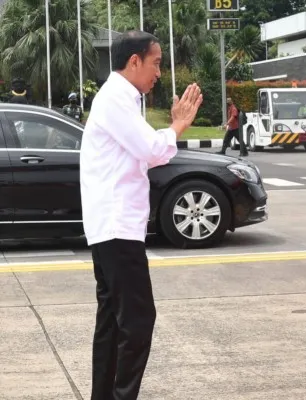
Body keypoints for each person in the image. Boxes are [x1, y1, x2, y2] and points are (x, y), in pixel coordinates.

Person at [79, 30, 203, 400]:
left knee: (114, 325)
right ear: (134, 61)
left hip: (112, 227)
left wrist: (171, 129)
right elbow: (150, 149)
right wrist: (178, 125)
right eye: (156, 63)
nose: (159, 73)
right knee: (136, 322)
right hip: (116, 229)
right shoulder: (117, 97)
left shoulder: (119, 98)